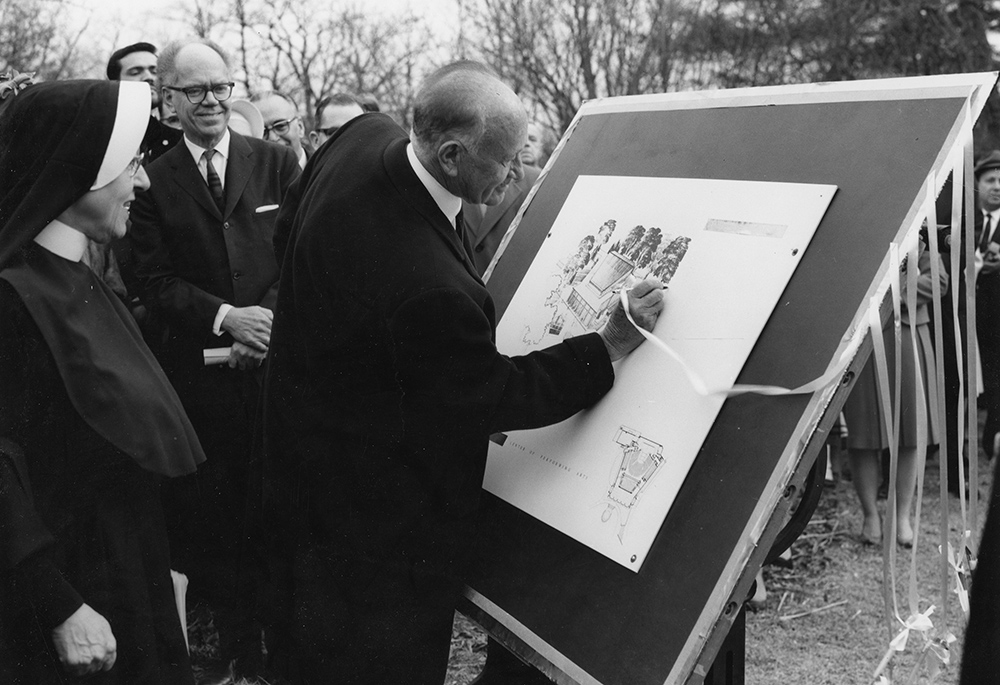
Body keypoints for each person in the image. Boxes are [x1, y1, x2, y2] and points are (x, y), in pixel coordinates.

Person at [260, 60, 664, 684]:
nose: (516, 172)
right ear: (450, 155)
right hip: (377, 531)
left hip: (301, 463)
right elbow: (496, 394)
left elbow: (289, 226)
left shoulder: (360, 136)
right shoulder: (430, 286)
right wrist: (607, 343)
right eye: (505, 159)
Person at [0, 79, 205, 683]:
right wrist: (57, 603)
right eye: (132, 165)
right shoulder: (12, 298)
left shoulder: (76, 274)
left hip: (123, 575)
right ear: (77, 172)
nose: (142, 182)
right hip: (68, 600)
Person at [128, 37, 301, 675]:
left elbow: (303, 252)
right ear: (167, 100)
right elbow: (153, 280)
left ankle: (288, 655)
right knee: (222, 522)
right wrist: (228, 319)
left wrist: (268, 326)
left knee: (283, 515)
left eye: (220, 87)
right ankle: (238, 655)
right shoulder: (151, 180)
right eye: (195, 90)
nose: (211, 101)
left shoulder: (278, 162)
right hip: (205, 383)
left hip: (276, 371)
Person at [843, 240, 946, 546]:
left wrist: (889, 298)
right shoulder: (856, 236)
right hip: (863, 342)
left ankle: (901, 516)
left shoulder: (918, 234)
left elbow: (938, 281)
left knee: (910, 433)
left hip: (909, 336)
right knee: (864, 435)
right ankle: (870, 516)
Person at [107, 41, 183, 163]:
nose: (149, 77)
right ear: (115, 83)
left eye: (155, 71)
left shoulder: (178, 142)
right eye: (135, 72)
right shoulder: (101, 137)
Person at [252, 90, 311, 168]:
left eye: (280, 126)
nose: (272, 138)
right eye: (263, 132)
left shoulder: (326, 171)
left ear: (300, 127)